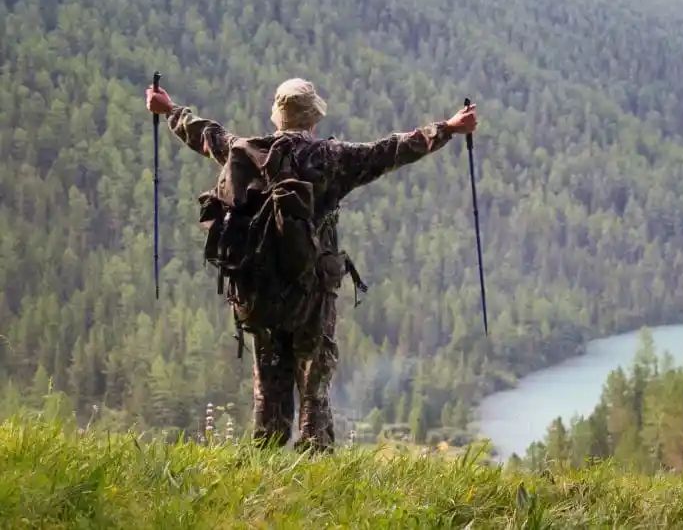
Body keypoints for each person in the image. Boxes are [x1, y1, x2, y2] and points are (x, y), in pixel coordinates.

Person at [146, 77, 477, 451]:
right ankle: (316, 468)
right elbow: (392, 149)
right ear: (313, 117)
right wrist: (448, 128)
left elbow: (205, 134)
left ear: (277, 117)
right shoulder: (332, 159)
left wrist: (169, 110)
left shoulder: (246, 152)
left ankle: (263, 472)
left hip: (260, 295)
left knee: (269, 392)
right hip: (312, 294)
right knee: (314, 390)